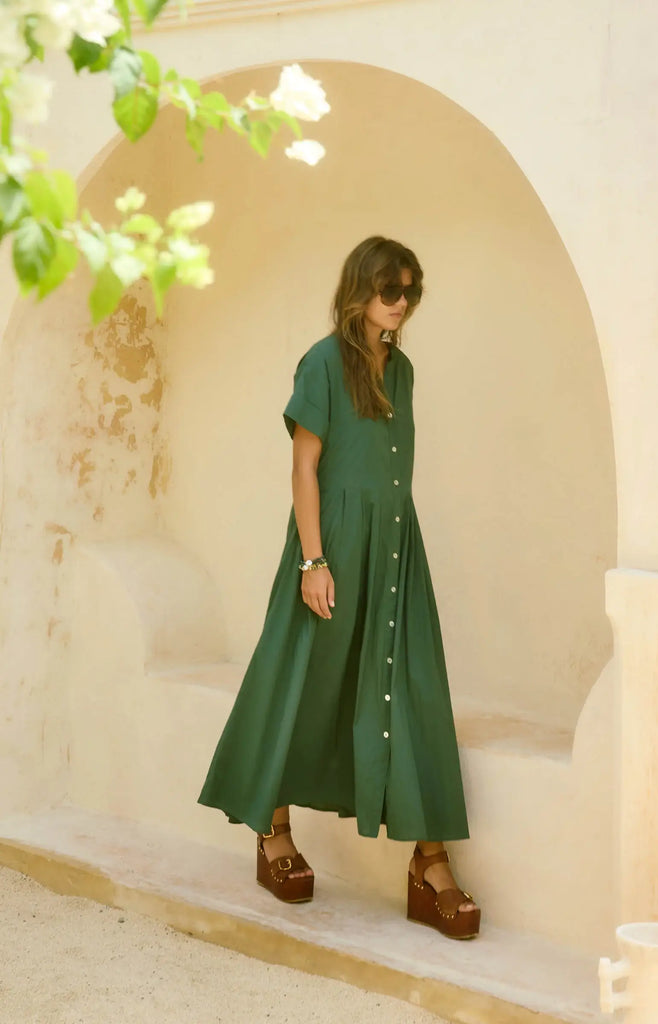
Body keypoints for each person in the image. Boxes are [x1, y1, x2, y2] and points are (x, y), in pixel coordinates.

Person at [198, 236, 480, 939]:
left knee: (410, 686)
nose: (402, 303)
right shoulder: (322, 363)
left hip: (394, 546)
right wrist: (313, 562)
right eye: (392, 289)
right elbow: (304, 468)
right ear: (360, 289)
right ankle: (272, 828)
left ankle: (429, 864)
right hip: (331, 546)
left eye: (411, 291)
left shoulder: (404, 370)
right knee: (301, 679)